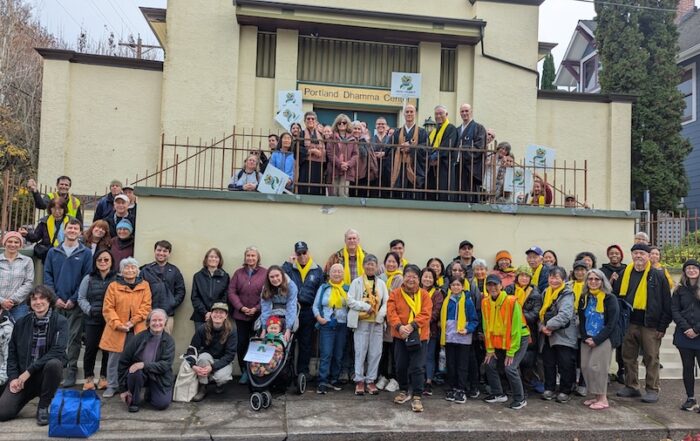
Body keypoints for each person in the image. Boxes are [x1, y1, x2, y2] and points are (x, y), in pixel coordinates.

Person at [0, 285, 67, 425]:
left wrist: (28, 372)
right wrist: (13, 378)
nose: (38, 302)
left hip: (44, 377)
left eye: (42, 298)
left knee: (55, 363)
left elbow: (57, 351)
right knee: (3, 413)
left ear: (49, 301)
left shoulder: (60, 321)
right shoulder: (21, 323)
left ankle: (43, 406)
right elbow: (12, 354)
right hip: (22, 380)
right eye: (34, 299)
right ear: (30, 303)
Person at [615, 244, 672, 403]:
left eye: (642, 253)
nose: (638, 256)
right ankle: (631, 386)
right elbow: (616, 295)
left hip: (650, 324)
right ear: (632, 255)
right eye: (635, 253)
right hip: (629, 322)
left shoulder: (658, 275)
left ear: (648, 256)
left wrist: (662, 326)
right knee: (628, 357)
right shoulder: (624, 273)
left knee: (651, 357)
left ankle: (652, 389)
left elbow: (667, 303)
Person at [43, 218, 92, 388]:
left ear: (80, 232)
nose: (72, 231)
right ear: (64, 230)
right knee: (54, 336)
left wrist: (73, 299)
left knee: (74, 337)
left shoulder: (85, 253)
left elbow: (86, 278)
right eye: (69, 228)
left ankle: (72, 368)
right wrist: (54, 298)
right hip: (56, 302)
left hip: (75, 304)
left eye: (75, 228)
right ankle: (56, 367)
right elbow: (47, 276)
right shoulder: (53, 252)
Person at [99, 257, 152, 398]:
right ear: (121, 271)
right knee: (114, 359)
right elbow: (108, 308)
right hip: (117, 328)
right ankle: (112, 385)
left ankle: (133, 385)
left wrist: (132, 322)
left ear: (137, 270)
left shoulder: (144, 285)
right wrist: (118, 324)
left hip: (137, 328)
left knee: (137, 357)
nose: (130, 270)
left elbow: (146, 307)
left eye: (133, 267)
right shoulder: (113, 286)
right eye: (126, 268)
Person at [387, 265, 432, 413]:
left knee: (417, 367)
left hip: (420, 335)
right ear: (403, 277)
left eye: (414, 276)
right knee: (400, 365)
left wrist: (412, 326)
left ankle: (417, 396)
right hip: (401, 336)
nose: (411, 279)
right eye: (408, 276)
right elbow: (391, 312)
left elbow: (426, 314)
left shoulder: (424, 295)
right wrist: (400, 327)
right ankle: (404, 390)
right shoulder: (395, 294)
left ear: (418, 279)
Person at [482, 274, 530, 410]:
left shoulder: (511, 302)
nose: (492, 288)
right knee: (489, 363)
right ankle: (498, 394)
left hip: (519, 339)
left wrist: (511, 352)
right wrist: (490, 350)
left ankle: (520, 399)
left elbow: (515, 330)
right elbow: (487, 327)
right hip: (500, 341)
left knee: (510, 367)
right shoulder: (485, 302)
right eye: (489, 285)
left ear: (501, 286)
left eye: (495, 284)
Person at [578, 268, 620, 410]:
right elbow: (582, 318)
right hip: (587, 337)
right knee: (585, 366)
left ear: (602, 281)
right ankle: (595, 396)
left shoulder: (610, 298)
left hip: (603, 338)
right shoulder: (585, 297)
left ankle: (603, 398)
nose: (593, 282)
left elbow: (612, 323)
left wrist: (597, 339)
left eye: (597, 279)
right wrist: (585, 337)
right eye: (590, 279)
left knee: (597, 367)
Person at [118, 309, 175, 412]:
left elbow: (165, 365)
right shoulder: (138, 338)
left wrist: (144, 365)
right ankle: (134, 402)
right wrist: (123, 390)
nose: (157, 323)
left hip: (159, 376)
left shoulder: (169, 341)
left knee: (162, 404)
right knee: (135, 371)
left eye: (160, 320)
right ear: (148, 322)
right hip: (139, 375)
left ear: (165, 322)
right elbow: (123, 361)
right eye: (154, 320)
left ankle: (150, 392)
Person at [347, 255, 388, 395]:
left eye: (373, 264)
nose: (370, 267)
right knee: (360, 351)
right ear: (364, 266)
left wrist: (380, 315)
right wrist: (365, 307)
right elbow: (350, 301)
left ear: (376, 267)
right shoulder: (356, 282)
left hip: (376, 323)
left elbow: (387, 302)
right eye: (368, 264)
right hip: (361, 322)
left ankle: (370, 380)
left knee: (376, 352)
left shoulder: (381, 283)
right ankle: (359, 380)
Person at [282, 241, 324, 378]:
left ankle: (303, 372)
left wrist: (318, 312)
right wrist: (289, 264)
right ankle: (287, 372)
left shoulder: (317, 269)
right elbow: (280, 279)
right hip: (292, 309)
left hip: (308, 311)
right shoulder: (289, 268)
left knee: (306, 344)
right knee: (289, 342)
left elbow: (321, 291)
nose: (302, 256)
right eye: (298, 253)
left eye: (304, 252)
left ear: (308, 252)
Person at [77, 249, 116, 391]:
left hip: (110, 321)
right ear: (95, 262)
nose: (103, 262)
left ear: (111, 262)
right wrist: (90, 310)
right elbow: (81, 298)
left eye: (106, 259)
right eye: (99, 260)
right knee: (90, 349)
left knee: (107, 350)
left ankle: (104, 377)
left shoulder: (117, 278)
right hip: (92, 320)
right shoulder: (89, 278)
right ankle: (89, 378)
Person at [539, 266, 578, 403]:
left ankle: (564, 390)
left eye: (556, 277)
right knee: (548, 363)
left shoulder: (567, 293)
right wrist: (542, 327)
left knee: (565, 364)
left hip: (564, 335)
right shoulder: (546, 292)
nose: (553, 280)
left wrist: (547, 326)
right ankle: (549, 388)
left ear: (563, 279)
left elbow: (565, 315)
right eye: (551, 277)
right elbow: (541, 313)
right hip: (547, 335)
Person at [227, 246, 265, 384]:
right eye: (248, 255)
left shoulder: (265, 273)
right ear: (245, 257)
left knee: (256, 343)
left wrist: (256, 308)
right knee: (242, 344)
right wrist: (241, 307)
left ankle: (255, 371)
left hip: (258, 315)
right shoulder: (238, 273)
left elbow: (268, 294)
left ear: (257, 258)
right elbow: (231, 292)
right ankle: (244, 371)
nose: (250, 258)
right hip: (241, 316)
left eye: (253, 256)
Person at [187, 303, 237, 401]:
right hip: (207, 359)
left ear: (226, 315)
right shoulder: (203, 328)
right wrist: (193, 365)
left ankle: (220, 385)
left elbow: (230, 355)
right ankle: (203, 387)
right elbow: (192, 349)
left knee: (222, 378)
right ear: (211, 314)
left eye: (221, 312)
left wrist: (212, 368)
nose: (218, 315)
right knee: (203, 357)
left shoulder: (232, 331)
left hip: (223, 361)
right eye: (215, 312)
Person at [505, 265, 543, 393]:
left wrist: (517, 315)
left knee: (527, 361)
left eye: (527, 276)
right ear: (517, 277)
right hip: (509, 330)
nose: (524, 278)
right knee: (511, 359)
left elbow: (534, 315)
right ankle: (512, 386)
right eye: (522, 275)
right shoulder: (509, 289)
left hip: (528, 331)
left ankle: (524, 387)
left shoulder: (535, 293)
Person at [440, 277, 478, 404]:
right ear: (450, 287)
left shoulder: (468, 302)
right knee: (451, 364)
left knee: (462, 365)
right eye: (453, 285)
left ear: (463, 287)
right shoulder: (447, 301)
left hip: (463, 339)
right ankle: (452, 387)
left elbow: (474, 320)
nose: (456, 287)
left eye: (458, 285)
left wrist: (467, 329)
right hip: (450, 338)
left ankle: (461, 389)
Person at [313, 263, 349, 394]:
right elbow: (315, 306)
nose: (337, 274)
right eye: (334, 271)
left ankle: (334, 379)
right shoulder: (324, 288)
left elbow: (352, 306)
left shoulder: (347, 289)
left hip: (342, 325)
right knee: (326, 354)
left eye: (340, 271)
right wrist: (318, 318)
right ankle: (322, 380)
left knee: (338, 354)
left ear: (343, 274)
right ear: (329, 273)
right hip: (327, 324)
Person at [140, 240, 186, 335]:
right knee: (146, 343)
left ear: (169, 253)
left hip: (167, 315)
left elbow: (180, 290)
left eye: (165, 251)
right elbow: (139, 291)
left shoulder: (174, 270)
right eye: (159, 250)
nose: (161, 253)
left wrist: (172, 303)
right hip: (148, 314)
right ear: (155, 251)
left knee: (164, 343)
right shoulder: (146, 270)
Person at [671, 259, 700, 411]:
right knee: (687, 367)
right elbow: (674, 310)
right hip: (684, 335)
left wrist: (696, 329)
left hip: (699, 333)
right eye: (688, 268)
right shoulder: (679, 290)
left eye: (694, 268)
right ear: (684, 272)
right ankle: (690, 398)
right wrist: (686, 328)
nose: (691, 270)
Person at [386, 105, 428, 199]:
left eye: (411, 112)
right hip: (399, 168)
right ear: (404, 114)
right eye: (407, 112)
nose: (409, 114)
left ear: (415, 114)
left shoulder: (422, 132)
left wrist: (411, 148)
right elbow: (389, 148)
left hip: (415, 167)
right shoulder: (397, 132)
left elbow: (425, 148)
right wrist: (399, 148)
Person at [19, 197, 71, 263]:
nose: (57, 211)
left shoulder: (71, 221)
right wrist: (26, 234)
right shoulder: (44, 222)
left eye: (60, 208)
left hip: (67, 254)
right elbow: (36, 237)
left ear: (64, 209)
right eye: (54, 208)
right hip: (49, 256)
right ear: (50, 209)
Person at [190, 248, 230, 329]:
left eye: (216, 257)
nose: (213, 259)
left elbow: (225, 296)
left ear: (219, 260)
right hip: (201, 316)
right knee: (200, 340)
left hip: (218, 316)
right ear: (206, 259)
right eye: (211, 256)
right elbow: (195, 297)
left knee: (217, 341)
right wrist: (205, 313)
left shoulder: (225, 276)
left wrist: (215, 312)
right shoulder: (198, 276)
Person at [455, 103, 487, 202]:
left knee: (470, 194)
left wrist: (463, 149)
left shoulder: (479, 128)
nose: (464, 113)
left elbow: (479, 147)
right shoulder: (457, 130)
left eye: (466, 111)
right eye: (462, 111)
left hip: (471, 168)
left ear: (471, 112)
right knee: (457, 191)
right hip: (457, 166)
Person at [0, 232, 34, 321]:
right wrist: (2, 301)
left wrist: (11, 300)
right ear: (4, 243)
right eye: (10, 241)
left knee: (19, 332)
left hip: (18, 306)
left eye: (16, 242)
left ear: (20, 245)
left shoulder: (27, 261)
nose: (13, 244)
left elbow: (29, 283)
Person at [421, 267, 444, 396]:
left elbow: (436, 312)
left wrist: (420, 322)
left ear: (434, 279)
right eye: (425, 276)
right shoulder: (415, 291)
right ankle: (416, 380)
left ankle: (428, 382)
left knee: (429, 356)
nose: (427, 279)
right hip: (414, 330)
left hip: (431, 330)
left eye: (430, 277)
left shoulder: (437, 294)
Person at [260, 265, 298, 342]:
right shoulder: (266, 288)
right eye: (272, 277)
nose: (275, 279)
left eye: (277, 275)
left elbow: (291, 306)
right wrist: (264, 328)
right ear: (268, 278)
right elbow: (265, 308)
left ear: (282, 275)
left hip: (287, 315)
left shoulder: (291, 286)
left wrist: (288, 328)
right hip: (271, 316)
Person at [428, 105, 458, 202]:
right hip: (432, 167)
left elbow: (447, 146)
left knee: (444, 192)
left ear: (447, 114)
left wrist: (434, 157)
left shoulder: (451, 129)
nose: (438, 116)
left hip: (445, 165)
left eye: (441, 113)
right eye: (436, 114)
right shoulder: (434, 130)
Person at [326, 113, 357, 197]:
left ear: (347, 124)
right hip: (334, 169)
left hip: (347, 170)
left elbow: (355, 154)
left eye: (344, 122)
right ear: (336, 124)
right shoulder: (331, 138)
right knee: (333, 194)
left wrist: (348, 164)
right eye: (339, 123)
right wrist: (340, 164)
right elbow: (330, 153)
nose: (342, 124)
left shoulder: (353, 139)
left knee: (343, 194)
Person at [297, 111, 326, 196]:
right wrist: (311, 151)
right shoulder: (301, 134)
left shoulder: (321, 134)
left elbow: (326, 148)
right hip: (306, 166)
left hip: (318, 166)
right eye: (308, 119)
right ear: (304, 121)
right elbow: (298, 148)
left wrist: (321, 152)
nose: (310, 120)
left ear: (316, 121)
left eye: (312, 119)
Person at [350, 121, 378, 198]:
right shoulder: (348, 141)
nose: (357, 131)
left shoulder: (365, 142)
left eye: (359, 129)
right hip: (351, 173)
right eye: (355, 128)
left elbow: (371, 156)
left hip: (363, 174)